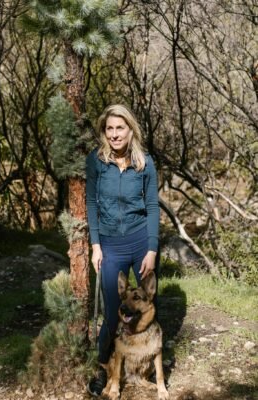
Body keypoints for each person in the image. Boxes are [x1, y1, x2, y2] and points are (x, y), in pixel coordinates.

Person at [86, 104, 159, 397]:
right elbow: (91, 203)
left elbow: (152, 205)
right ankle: (104, 368)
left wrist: (152, 249)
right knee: (115, 315)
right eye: (110, 129)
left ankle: (143, 366)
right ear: (104, 131)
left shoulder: (145, 162)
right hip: (110, 246)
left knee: (146, 308)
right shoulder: (96, 161)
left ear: (131, 130)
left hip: (141, 242)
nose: (115, 134)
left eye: (120, 128)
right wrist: (95, 247)